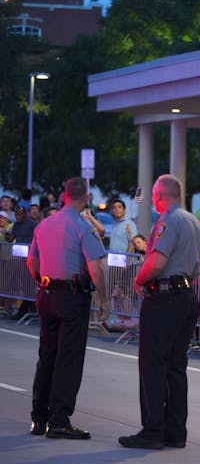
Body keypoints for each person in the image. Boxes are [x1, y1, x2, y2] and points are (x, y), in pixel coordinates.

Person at [118, 174, 200, 449]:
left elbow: (158, 260)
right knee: (176, 366)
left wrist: (139, 279)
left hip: (165, 295)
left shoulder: (168, 220)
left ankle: (153, 429)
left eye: (154, 195)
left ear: (160, 195)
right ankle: (176, 430)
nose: (153, 200)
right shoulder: (192, 221)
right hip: (187, 295)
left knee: (153, 363)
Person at [27, 177, 110, 439]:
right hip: (73, 296)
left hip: (47, 293)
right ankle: (59, 420)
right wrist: (104, 300)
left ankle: (39, 418)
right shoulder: (83, 227)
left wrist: (44, 283)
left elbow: (32, 262)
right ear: (86, 199)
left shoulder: (44, 225)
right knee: (68, 358)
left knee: (47, 355)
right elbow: (95, 267)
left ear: (63, 196)